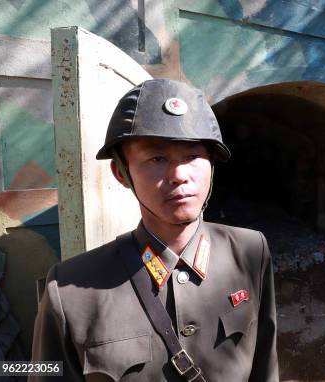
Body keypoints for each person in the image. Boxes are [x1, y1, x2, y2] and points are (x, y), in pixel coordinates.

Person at [30, 79, 279, 381]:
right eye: (157, 158)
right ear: (122, 173)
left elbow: (265, 365)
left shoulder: (250, 251)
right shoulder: (69, 291)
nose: (179, 175)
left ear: (212, 164)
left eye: (193, 156)